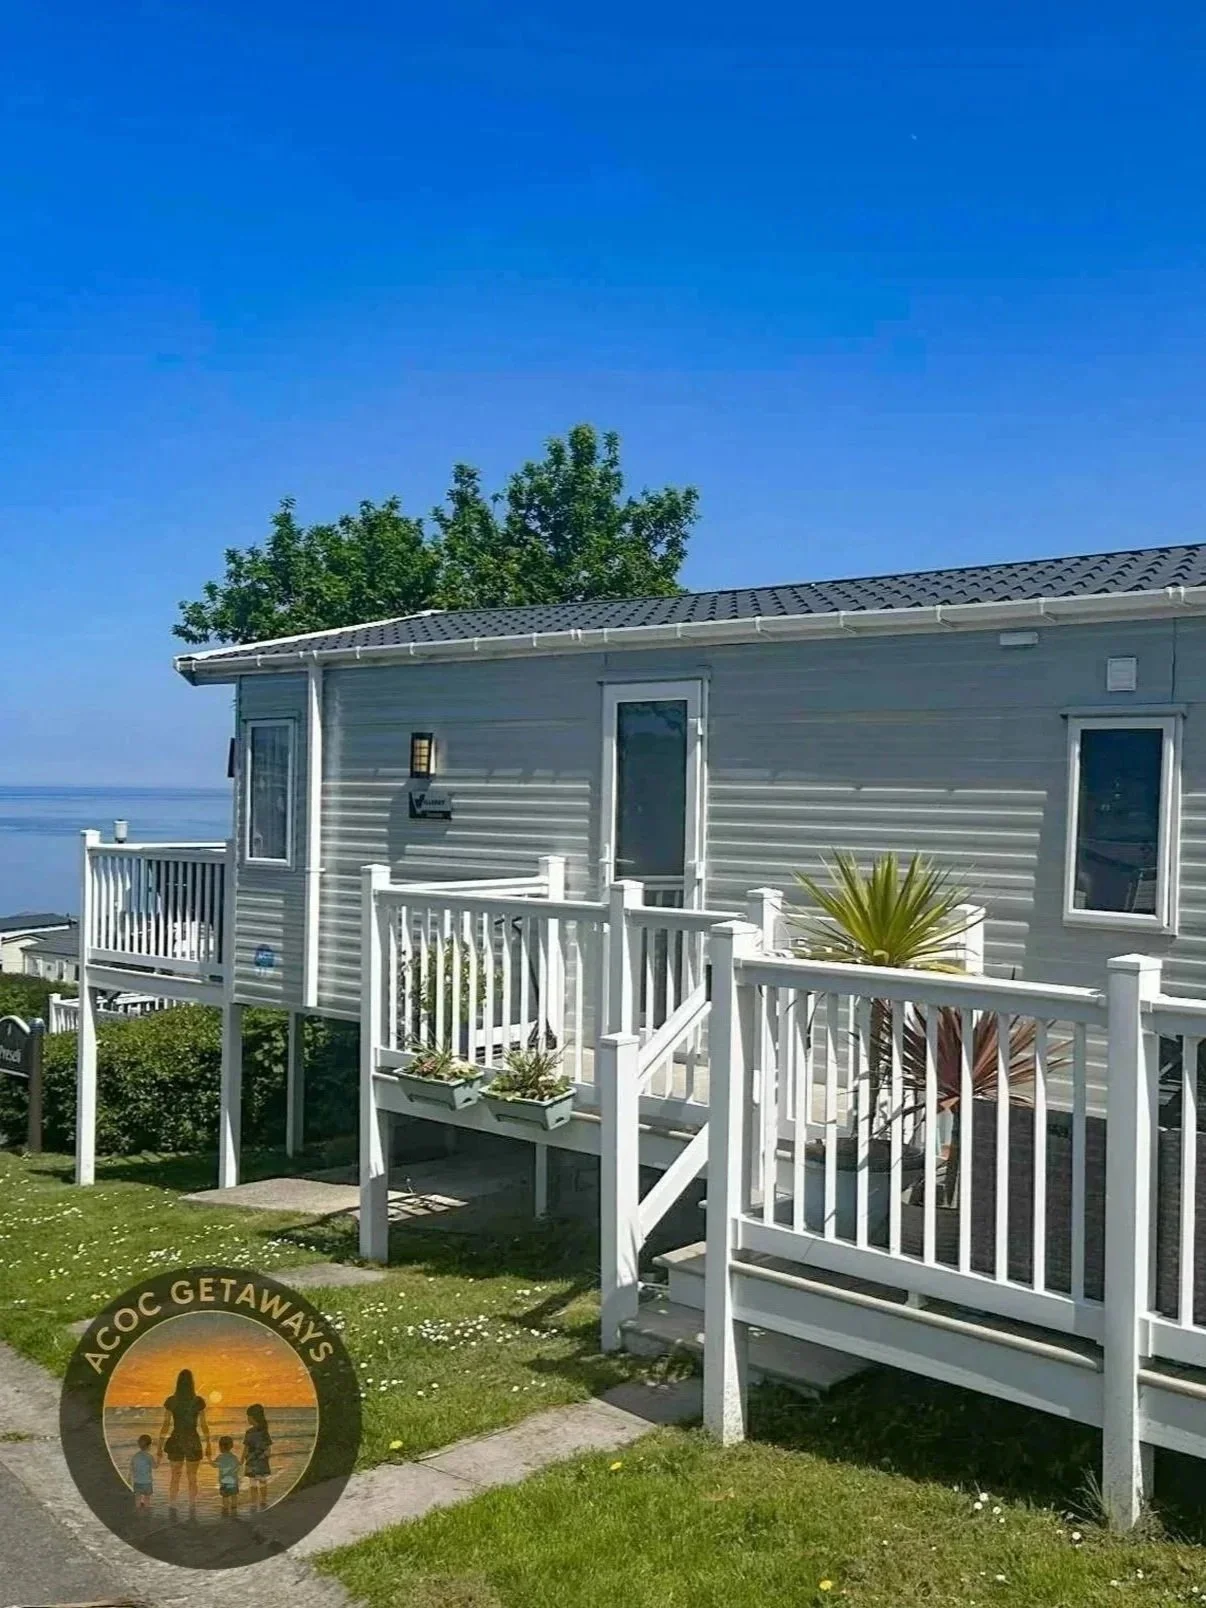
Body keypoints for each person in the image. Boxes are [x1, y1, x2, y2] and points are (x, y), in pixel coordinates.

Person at [156, 1368, 211, 1521]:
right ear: (192, 1383)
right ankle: (192, 1507)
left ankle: (172, 1506)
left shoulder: (172, 1401)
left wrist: (160, 1445)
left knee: (175, 1476)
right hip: (193, 1439)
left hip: (176, 1439)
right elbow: (204, 1425)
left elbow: (166, 1424)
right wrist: (208, 1444)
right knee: (192, 1477)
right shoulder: (198, 1401)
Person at [242, 1403, 272, 1512]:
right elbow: (246, 1447)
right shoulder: (257, 1432)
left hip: (255, 1460)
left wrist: (242, 1460)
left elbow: (246, 1448)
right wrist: (266, 1455)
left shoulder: (254, 1432)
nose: (247, 1419)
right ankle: (259, 1501)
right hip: (257, 1460)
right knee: (259, 1482)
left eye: (248, 1416)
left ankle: (258, 1501)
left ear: (253, 1417)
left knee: (256, 1482)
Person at [211, 1435, 241, 1518]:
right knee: (234, 1495)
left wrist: (209, 1458)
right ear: (231, 1446)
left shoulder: (220, 1457)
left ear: (221, 1447)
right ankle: (234, 1509)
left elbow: (214, 1465)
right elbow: (238, 1466)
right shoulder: (234, 1457)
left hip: (224, 1481)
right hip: (234, 1480)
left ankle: (225, 1510)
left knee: (225, 1496)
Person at [130, 1434, 155, 1513]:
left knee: (138, 1497)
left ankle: (138, 1510)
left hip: (137, 1482)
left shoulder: (135, 1456)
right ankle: (147, 1510)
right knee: (147, 1497)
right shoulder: (149, 1456)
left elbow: (131, 1468)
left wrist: (129, 1479)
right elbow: (155, 1466)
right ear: (149, 1445)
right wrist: (159, 1458)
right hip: (147, 1482)